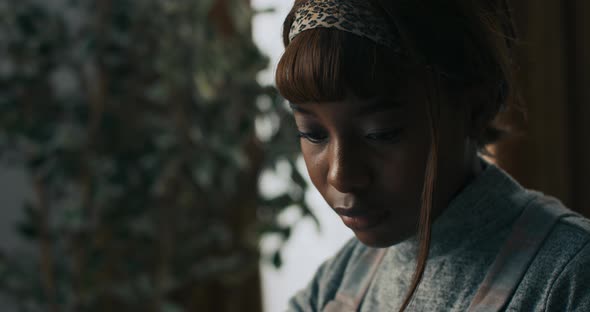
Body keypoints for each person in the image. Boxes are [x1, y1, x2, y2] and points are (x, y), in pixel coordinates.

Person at [274, 0, 590, 311]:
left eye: (381, 133)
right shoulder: (341, 279)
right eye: (313, 133)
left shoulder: (569, 278)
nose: (340, 175)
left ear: (475, 109)